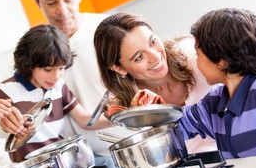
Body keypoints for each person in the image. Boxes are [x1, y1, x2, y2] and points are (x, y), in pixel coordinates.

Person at [0, 24, 113, 163]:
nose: (56, 76)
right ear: (29, 64)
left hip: (63, 160)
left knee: (108, 164)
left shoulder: (58, 86)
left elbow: (85, 120)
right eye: (48, 70)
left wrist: (115, 117)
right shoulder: (8, 90)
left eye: (61, 68)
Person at [93, 12, 217, 153]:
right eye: (139, 57)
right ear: (119, 68)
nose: (155, 56)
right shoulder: (133, 104)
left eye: (152, 42)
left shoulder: (193, 57)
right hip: (193, 166)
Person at [177, 8, 256, 159]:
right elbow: (177, 125)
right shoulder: (213, 103)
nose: (196, 62)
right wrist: (153, 109)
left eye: (197, 54)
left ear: (221, 62)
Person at [32, 0, 112, 158]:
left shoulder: (109, 30)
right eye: (51, 2)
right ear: (37, 2)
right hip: (79, 160)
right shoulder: (35, 49)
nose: (62, 11)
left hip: (125, 142)